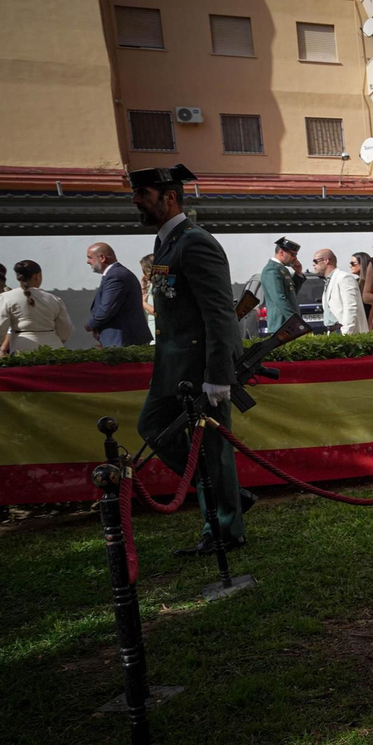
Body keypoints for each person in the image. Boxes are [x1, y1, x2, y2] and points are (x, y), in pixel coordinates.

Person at [130, 164, 255, 555]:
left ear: (169, 197)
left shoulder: (195, 242)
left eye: (144, 195)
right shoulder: (168, 243)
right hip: (173, 371)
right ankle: (229, 495)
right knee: (152, 427)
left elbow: (219, 312)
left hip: (201, 373)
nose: (136, 201)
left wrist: (218, 375)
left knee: (213, 450)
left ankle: (224, 529)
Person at [0, 260, 73, 354]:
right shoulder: (54, 299)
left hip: (22, 348)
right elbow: (65, 329)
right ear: (37, 276)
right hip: (53, 348)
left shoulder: (6, 298)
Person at [85, 242, 152, 347]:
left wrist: (89, 325)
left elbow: (106, 309)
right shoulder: (115, 274)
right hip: (122, 337)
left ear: (102, 257)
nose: (88, 261)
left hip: (122, 338)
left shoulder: (115, 276)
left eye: (90, 257)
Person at [313, 248, 369, 335]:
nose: (313, 265)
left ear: (326, 260)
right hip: (332, 331)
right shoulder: (329, 281)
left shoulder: (344, 278)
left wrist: (346, 333)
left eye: (315, 261)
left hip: (343, 332)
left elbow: (351, 307)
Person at [260, 237, 305, 335]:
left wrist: (298, 273)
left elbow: (291, 294)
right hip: (281, 325)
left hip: (288, 325)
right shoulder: (271, 270)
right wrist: (295, 321)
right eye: (293, 254)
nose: (295, 258)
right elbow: (279, 298)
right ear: (281, 252)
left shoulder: (282, 269)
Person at [349, 252, 373, 327]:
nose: (350, 266)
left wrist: (369, 324)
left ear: (362, 264)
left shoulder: (370, 282)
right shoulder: (356, 282)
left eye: (353, 263)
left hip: (368, 319)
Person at [140, 254, 157, 338]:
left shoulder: (158, 285)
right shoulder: (153, 284)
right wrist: (144, 287)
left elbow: (156, 311)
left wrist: (142, 303)